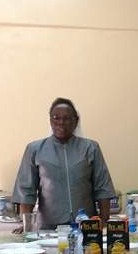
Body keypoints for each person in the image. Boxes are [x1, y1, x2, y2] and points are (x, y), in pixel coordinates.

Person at [12, 97, 116, 229]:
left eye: (67, 118)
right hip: (49, 227)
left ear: (75, 121)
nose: (61, 123)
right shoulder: (35, 149)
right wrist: (26, 225)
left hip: (86, 226)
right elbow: (26, 191)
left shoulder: (90, 148)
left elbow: (103, 188)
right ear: (50, 120)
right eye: (56, 118)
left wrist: (104, 221)